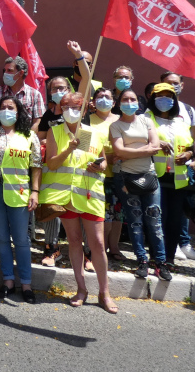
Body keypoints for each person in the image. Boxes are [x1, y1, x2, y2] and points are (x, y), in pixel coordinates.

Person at [43, 91, 115, 312]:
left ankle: (105, 292)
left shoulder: (91, 133)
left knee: (98, 244)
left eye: (75, 107)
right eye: (65, 107)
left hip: (90, 195)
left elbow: (103, 162)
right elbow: (52, 164)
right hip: (67, 196)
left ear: (84, 109)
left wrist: (99, 165)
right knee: (74, 242)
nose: (70, 111)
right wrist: (69, 148)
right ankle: (81, 289)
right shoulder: (55, 132)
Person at [0, 96, 41, 304]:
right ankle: (8, 280)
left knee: (21, 239)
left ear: (18, 111)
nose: (6, 110)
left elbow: (36, 164)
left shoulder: (29, 135)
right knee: (1, 238)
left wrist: (35, 191)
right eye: (2, 107)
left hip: (18, 193)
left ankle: (27, 284)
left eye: (10, 107)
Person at [110, 88, 168, 280]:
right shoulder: (115, 126)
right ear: (119, 104)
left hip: (149, 175)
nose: (129, 102)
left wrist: (130, 151)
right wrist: (146, 149)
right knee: (135, 220)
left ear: (138, 103)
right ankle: (141, 261)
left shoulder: (146, 121)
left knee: (155, 220)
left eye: (132, 99)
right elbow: (118, 151)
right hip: (126, 177)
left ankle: (160, 262)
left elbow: (156, 145)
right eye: (125, 99)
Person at [148, 83, 195, 271]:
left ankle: (169, 257)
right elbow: (137, 139)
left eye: (169, 96)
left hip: (179, 177)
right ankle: (155, 256)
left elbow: (191, 145)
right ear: (153, 99)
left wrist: (189, 155)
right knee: (157, 217)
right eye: (160, 96)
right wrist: (156, 142)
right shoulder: (146, 118)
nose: (165, 100)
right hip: (156, 175)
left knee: (175, 219)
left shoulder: (181, 121)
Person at [36, 75, 72, 267]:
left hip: (74, 170)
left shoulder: (78, 113)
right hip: (52, 168)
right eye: (55, 89)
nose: (59, 92)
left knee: (78, 211)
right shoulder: (49, 115)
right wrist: (45, 140)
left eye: (62, 88)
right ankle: (52, 248)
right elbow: (40, 137)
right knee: (51, 208)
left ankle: (86, 254)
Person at [87, 87, 124, 261]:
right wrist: (108, 157)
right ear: (93, 102)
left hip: (120, 173)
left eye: (107, 97)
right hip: (96, 174)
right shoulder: (88, 120)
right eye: (100, 96)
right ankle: (101, 249)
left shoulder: (120, 120)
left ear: (114, 102)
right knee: (104, 215)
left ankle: (115, 247)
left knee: (118, 214)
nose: (104, 99)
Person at [0, 56, 46, 132]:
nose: (5, 73)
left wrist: (27, 138)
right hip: (1, 139)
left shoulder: (34, 94)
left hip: (25, 139)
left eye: (9, 70)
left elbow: (38, 122)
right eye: (4, 70)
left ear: (20, 73)